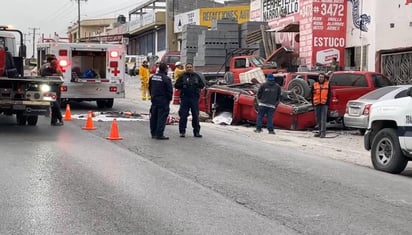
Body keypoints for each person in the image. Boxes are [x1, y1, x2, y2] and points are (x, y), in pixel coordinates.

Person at [174, 63, 205, 138]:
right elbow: (176, 85)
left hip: (194, 98)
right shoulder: (182, 76)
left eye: (190, 67)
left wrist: (196, 85)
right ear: (185, 68)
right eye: (187, 67)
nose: (189, 68)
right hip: (185, 98)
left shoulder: (196, 76)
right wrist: (183, 85)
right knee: (183, 115)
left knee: (195, 115)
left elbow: (202, 85)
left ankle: (196, 132)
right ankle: (182, 131)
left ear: (192, 68)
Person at [148, 62, 173, 140]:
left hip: (154, 100)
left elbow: (150, 87)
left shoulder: (153, 77)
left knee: (154, 117)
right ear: (165, 69)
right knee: (161, 118)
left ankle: (153, 133)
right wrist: (169, 99)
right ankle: (159, 134)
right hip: (163, 101)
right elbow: (169, 91)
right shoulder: (166, 79)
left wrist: (152, 96)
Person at [40, 56, 64, 126]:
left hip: (57, 89)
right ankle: (60, 118)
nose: (56, 67)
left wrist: (58, 73)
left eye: (57, 65)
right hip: (49, 90)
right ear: (52, 65)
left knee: (56, 106)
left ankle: (54, 121)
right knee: (55, 104)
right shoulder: (46, 69)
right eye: (55, 65)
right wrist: (54, 74)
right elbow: (44, 74)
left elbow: (61, 77)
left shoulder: (58, 70)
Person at [311, 73, 332, 138]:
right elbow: (312, 95)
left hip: (324, 104)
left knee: (323, 119)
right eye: (320, 77)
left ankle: (323, 133)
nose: (321, 78)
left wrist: (327, 103)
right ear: (318, 78)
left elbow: (329, 95)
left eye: (322, 77)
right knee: (318, 119)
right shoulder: (314, 84)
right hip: (317, 104)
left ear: (324, 78)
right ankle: (320, 131)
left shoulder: (327, 84)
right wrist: (312, 103)